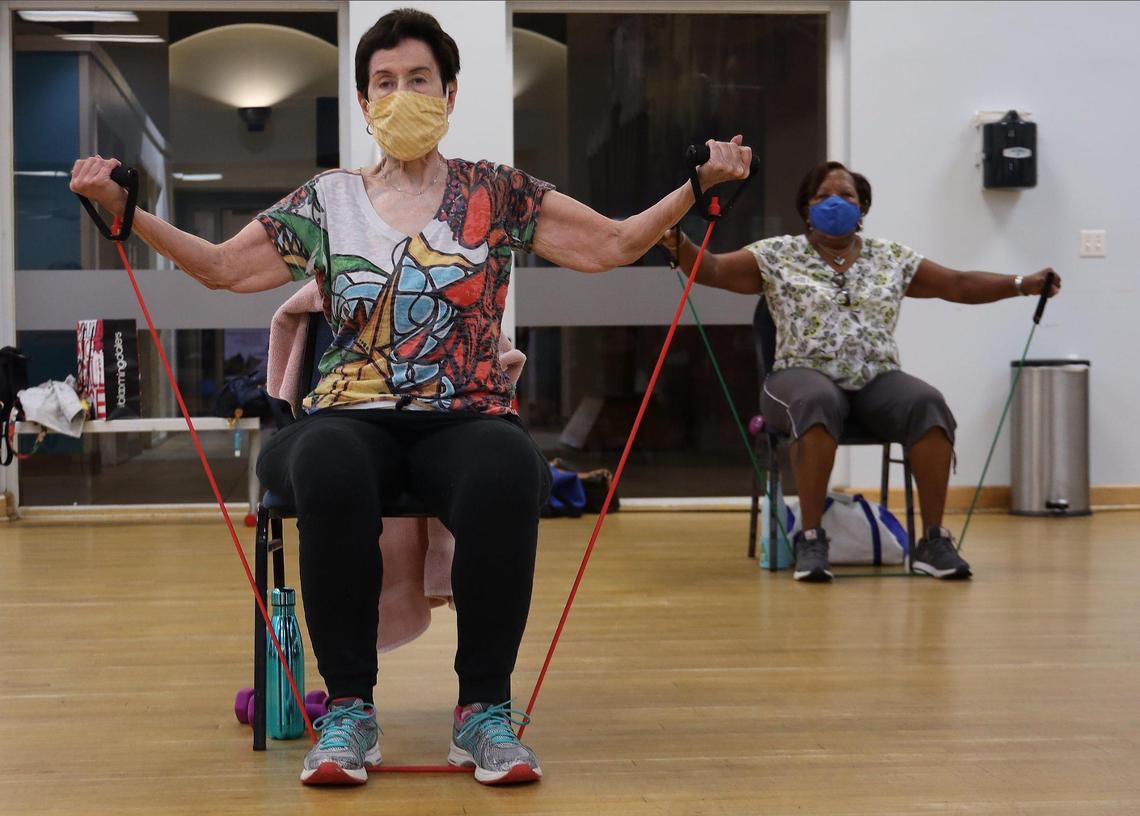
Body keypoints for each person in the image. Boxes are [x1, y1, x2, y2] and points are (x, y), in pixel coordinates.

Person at [70, 8, 752, 787]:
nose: (401, 95)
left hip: (464, 415)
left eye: (419, 79)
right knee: (325, 462)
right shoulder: (326, 201)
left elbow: (611, 243)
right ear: (364, 102)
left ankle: (484, 713)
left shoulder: (496, 191)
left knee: (509, 467)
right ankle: (350, 712)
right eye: (385, 82)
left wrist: (696, 189)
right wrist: (130, 216)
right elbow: (224, 267)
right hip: (346, 416)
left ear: (450, 93)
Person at [660, 160, 1061, 583]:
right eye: (823, 196)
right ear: (806, 208)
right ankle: (811, 539)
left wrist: (1023, 283)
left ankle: (934, 542)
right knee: (816, 401)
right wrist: (678, 243)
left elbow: (957, 284)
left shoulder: (890, 258)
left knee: (927, 404)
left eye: (846, 196)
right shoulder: (777, 254)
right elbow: (713, 269)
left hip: (875, 379)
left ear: (862, 207)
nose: (835, 203)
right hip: (798, 374)